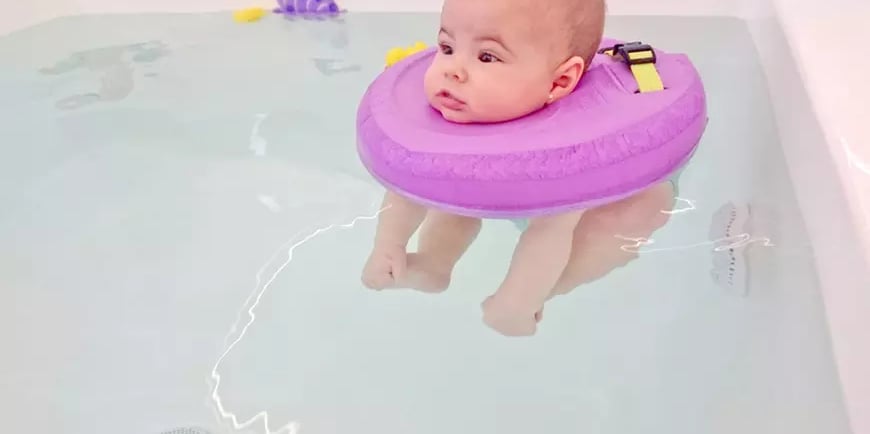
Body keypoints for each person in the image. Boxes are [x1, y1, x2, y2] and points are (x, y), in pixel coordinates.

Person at [362, 0, 676, 336]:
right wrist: (388, 246)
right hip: (485, 175)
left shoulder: (574, 145)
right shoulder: (455, 107)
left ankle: (534, 295)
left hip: (575, 202)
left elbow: (553, 230)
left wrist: (519, 303)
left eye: (487, 56)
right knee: (443, 183)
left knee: (650, 204)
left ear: (559, 82)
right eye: (447, 47)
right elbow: (409, 185)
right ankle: (434, 264)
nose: (453, 69)